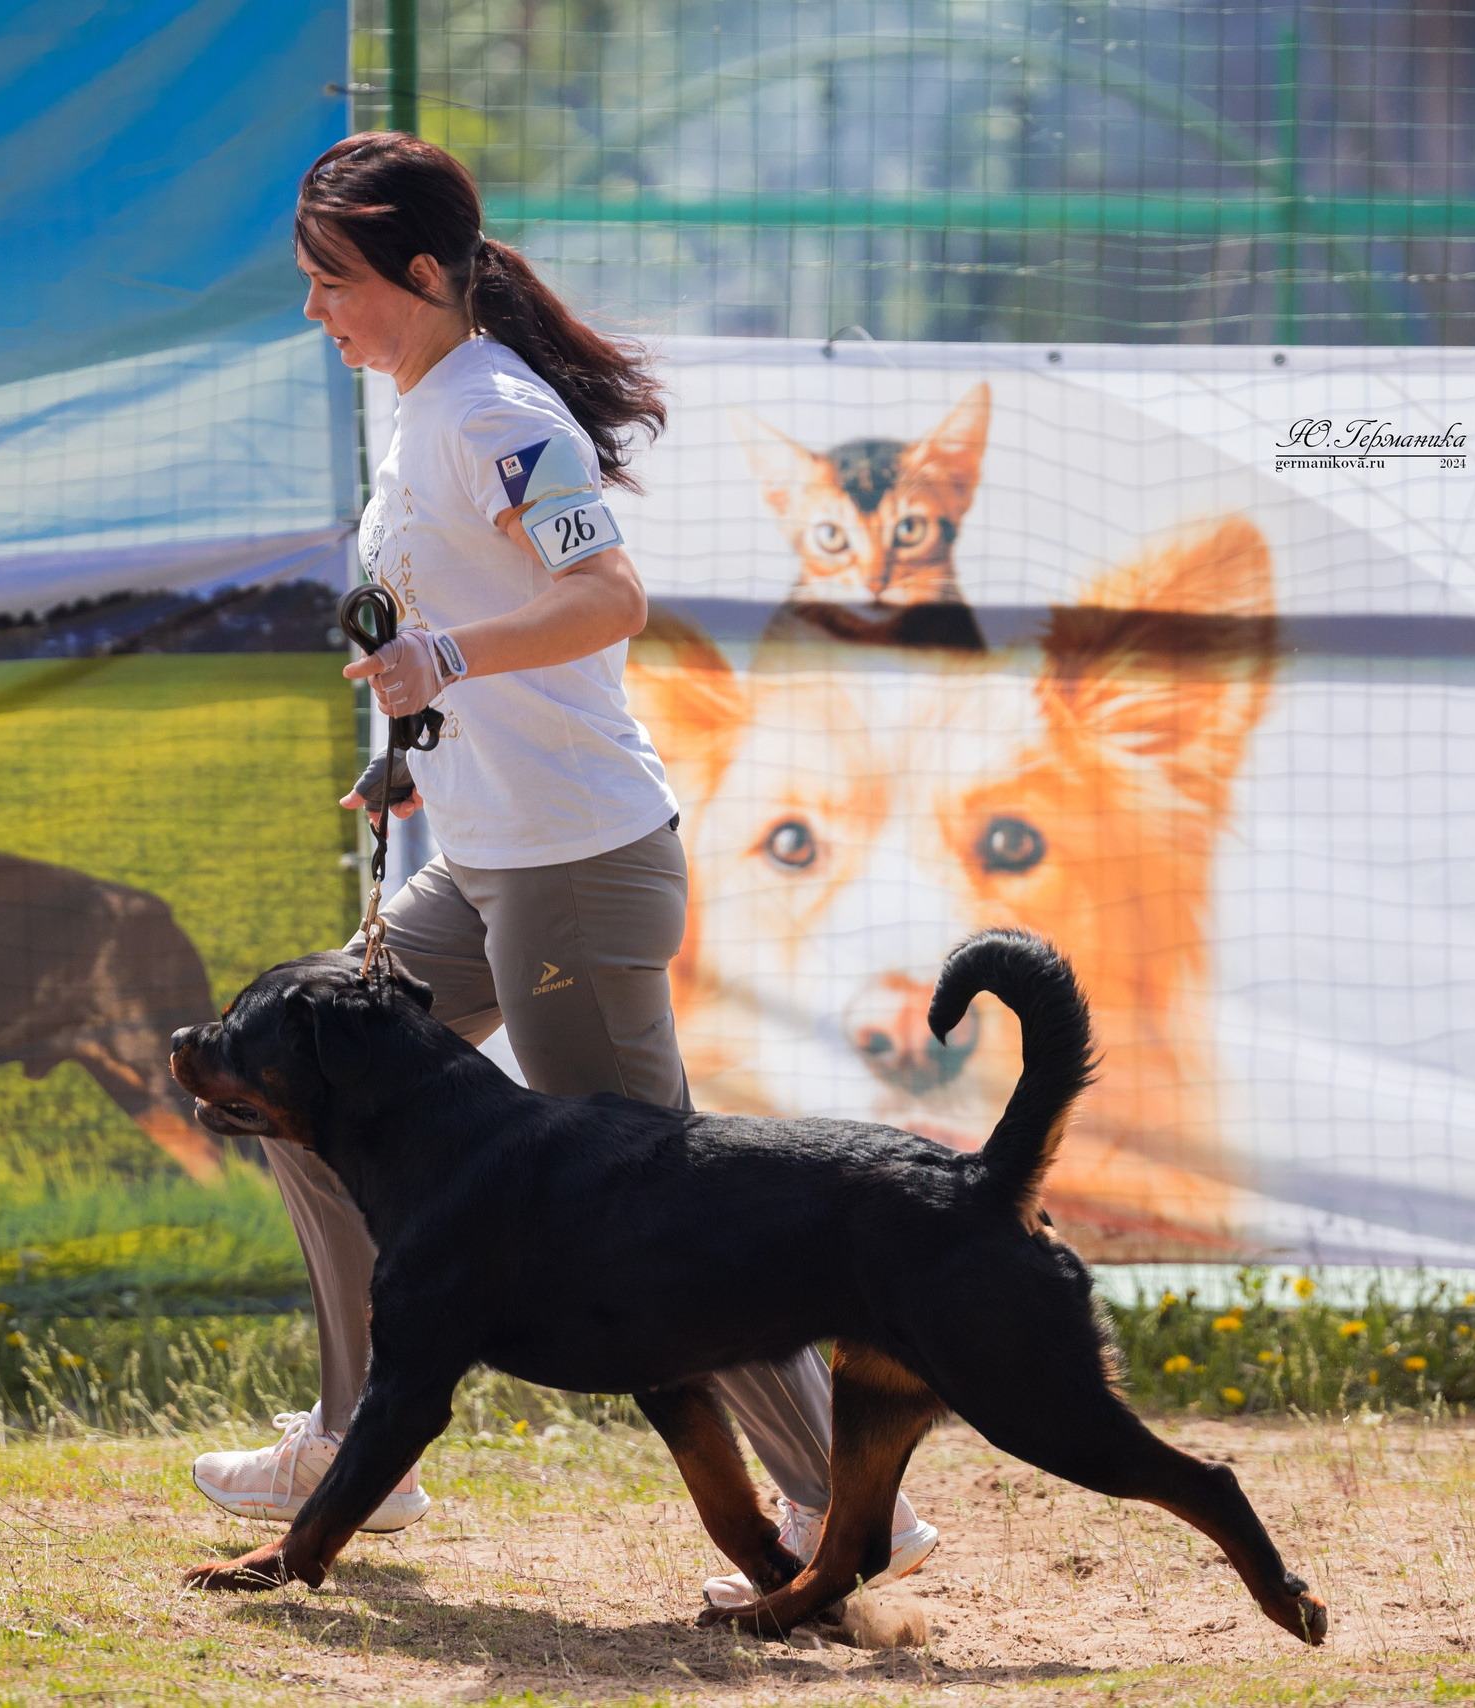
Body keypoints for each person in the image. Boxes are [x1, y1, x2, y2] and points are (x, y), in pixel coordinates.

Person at [187, 132, 935, 1606]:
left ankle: (845, 1508)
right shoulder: (423, 407)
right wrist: (414, 754)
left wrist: (446, 656)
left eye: (329, 283)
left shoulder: (499, 411)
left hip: (577, 874)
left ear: (417, 275)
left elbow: (607, 595)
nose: (311, 312)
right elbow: (449, 646)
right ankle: (363, 1447)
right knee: (296, 1091)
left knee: (668, 1219)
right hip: (486, 864)